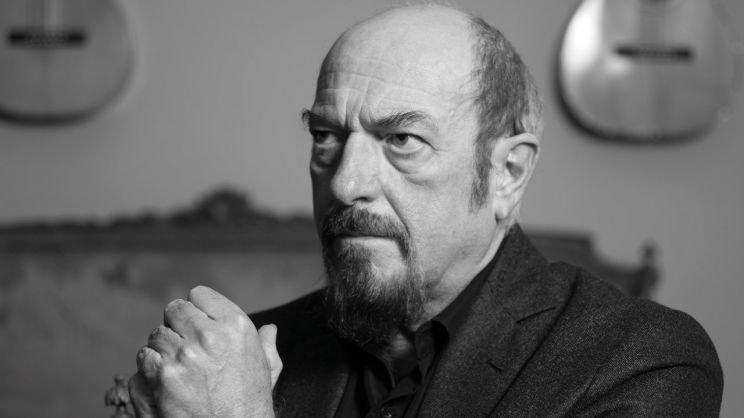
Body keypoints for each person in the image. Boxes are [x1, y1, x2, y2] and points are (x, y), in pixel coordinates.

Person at [128, 4, 723, 417]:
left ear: (507, 173)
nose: (346, 183)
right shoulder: (246, 354)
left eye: (402, 140)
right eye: (326, 137)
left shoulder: (640, 360)